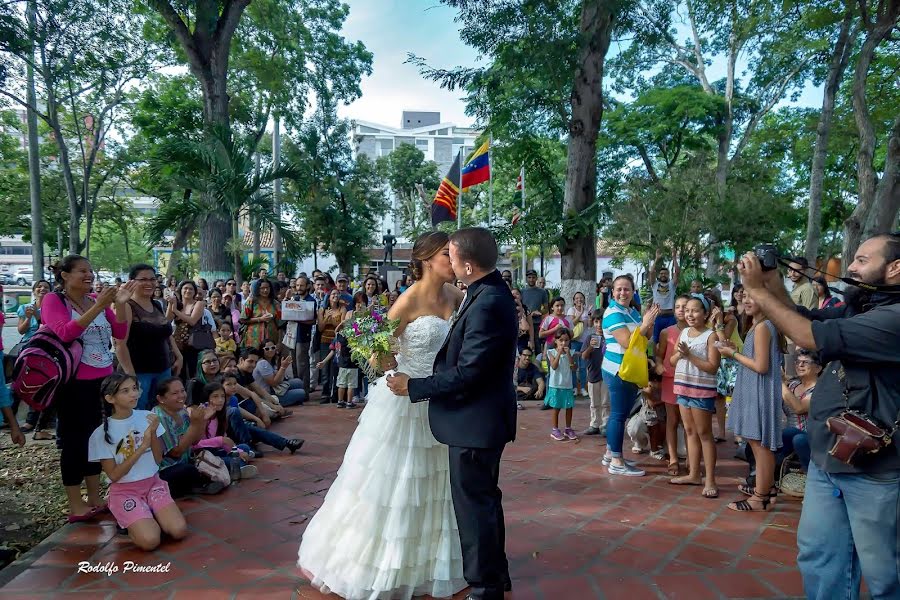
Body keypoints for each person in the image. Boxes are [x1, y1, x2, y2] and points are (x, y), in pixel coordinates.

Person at [298, 231, 467, 599]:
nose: (453, 261)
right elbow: (377, 354)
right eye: (445, 255)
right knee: (399, 482)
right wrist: (386, 361)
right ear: (425, 258)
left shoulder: (457, 296)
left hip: (443, 397)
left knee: (440, 484)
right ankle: (385, 564)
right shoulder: (405, 302)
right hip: (405, 403)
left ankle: (434, 561)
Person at [737, 234, 900, 600]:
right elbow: (802, 317)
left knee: (885, 574)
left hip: (875, 470)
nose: (851, 268)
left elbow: (808, 336)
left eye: (860, 260)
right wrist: (771, 281)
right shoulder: (863, 306)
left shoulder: (893, 317)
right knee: (819, 556)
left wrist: (756, 292)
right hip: (829, 458)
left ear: (894, 268)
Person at [387, 227, 516, 600]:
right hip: (474, 416)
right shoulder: (482, 294)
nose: (451, 261)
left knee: (475, 505)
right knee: (484, 499)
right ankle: (496, 572)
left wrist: (414, 387)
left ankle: (484, 586)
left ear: (468, 264)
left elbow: (471, 372)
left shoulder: (487, 301)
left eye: (453, 255)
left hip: (474, 418)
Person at [43, 255, 133, 521]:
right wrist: (101, 305)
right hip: (73, 382)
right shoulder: (53, 301)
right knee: (74, 441)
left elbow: (118, 331)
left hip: (102, 380)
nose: (89, 275)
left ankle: (94, 495)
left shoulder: (96, 301)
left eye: (90, 271)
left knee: (97, 439)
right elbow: (65, 333)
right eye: (82, 271)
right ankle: (75, 502)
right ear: (65, 275)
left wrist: (120, 305)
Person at [88, 373, 187, 550]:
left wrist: (154, 434)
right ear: (110, 398)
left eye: (134, 389)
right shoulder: (101, 434)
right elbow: (114, 475)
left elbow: (157, 460)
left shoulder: (147, 417)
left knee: (179, 531)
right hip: (125, 491)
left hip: (152, 483)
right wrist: (141, 448)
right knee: (150, 541)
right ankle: (133, 519)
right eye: (125, 391)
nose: (133, 394)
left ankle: (147, 513)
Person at [719, 293, 782, 510]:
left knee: (760, 445)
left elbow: (761, 366)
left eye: (753, 297)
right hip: (756, 388)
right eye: (744, 296)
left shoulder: (763, 326)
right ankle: (767, 487)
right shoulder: (759, 325)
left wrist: (733, 355)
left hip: (759, 390)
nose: (746, 300)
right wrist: (734, 351)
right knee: (758, 444)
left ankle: (760, 497)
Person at [601, 276, 659, 476]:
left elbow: (646, 337)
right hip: (618, 370)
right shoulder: (613, 313)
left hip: (630, 369)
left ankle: (610, 453)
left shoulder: (631, 311)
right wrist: (645, 324)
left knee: (620, 414)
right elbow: (627, 342)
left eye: (627, 289)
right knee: (618, 415)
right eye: (618, 289)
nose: (622, 293)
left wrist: (649, 323)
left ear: (633, 291)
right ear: (612, 292)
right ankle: (617, 461)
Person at [668, 295, 721, 498]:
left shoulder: (711, 336)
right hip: (683, 388)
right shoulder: (683, 333)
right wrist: (681, 355)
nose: (690, 314)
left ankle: (710, 479)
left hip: (701, 389)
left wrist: (690, 356)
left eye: (695, 310)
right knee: (689, 431)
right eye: (687, 310)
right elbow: (672, 361)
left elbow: (713, 366)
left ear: (705, 313)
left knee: (704, 434)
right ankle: (693, 474)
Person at [116, 264, 183, 410]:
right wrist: (131, 377)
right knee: (140, 413)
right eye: (143, 279)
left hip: (164, 369)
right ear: (132, 281)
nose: (149, 283)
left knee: (163, 412)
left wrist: (179, 355)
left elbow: (165, 333)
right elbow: (120, 344)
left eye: (152, 279)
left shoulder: (157, 304)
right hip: (139, 372)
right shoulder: (127, 306)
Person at [16, 279, 54, 439]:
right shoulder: (25, 308)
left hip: (47, 349)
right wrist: (28, 317)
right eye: (39, 287)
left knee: (44, 384)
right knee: (24, 383)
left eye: (46, 287)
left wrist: (39, 317)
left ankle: (36, 424)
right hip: (29, 347)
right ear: (34, 290)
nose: (42, 289)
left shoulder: (53, 307)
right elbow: (21, 330)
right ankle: (19, 421)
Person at [656, 296, 688, 475]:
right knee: (672, 420)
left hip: (689, 381)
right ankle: (673, 459)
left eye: (686, 307)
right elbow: (660, 354)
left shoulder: (696, 332)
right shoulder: (666, 332)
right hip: (670, 379)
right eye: (678, 307)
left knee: (688, 423)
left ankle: (691, 458)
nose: (682, 310)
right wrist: (660, 365)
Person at [778, 349, 818, 473]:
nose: (800, 365)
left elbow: (799, 408)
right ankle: (770, 474)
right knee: (774, 436)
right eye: (798, 362)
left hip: (812, 438)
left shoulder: (820, 390)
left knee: (797, 438)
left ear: (818, 368)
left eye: (805, 362)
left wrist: (780, 382)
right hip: (790, 436)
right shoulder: (792, 385)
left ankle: (809, 473)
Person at [581, 311, 611, 437]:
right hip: (593, 374)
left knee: (605, 402)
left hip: (607, 374)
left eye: (602, 321)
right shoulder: (589, 338)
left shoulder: (610, 338)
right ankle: (594, 424)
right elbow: (583, 356)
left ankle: (605, 424)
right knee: (594, 402)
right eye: (596, 321)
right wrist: (590, 348)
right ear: (593, 322)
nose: (599, 325)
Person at [546, 328, 578, 441]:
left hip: (567, 384)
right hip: (555, 385)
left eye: (566, 340)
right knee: (556, 407)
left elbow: (574, 368)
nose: (563, 343)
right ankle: (555, 429)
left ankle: (568, 428)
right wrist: (559, 353)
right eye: (561, 340)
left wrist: (568, 354)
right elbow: (554, 366)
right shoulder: (551, 352)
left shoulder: (572, 353)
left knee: (569, 407)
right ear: (556, 341)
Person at [255, 342, 307, 407]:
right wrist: (283, 367)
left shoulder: (272, 361)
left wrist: (281, 370)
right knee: (301, 393)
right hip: (269, 394)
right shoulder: (262, 363)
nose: (270, 350)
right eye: (267, 349)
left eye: (273, 348)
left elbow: (279, 379)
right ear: (262, 350)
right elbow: (274, 383)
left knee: (298, 382)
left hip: (276, 388)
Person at [649, 249, 680, 343]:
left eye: (665, 273)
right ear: (659, 275)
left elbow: (677, 272)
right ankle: (655, 357)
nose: (663, 275)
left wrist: (674, 257)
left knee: (671, 341)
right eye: (661, 273)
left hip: (670, 317)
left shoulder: (672, 285)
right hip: (657, 317)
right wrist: (656, 258)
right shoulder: (655, 284)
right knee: (656, 340)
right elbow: (651, 272)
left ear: (668, 275)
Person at [240, 279, 281, 350]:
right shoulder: (251, 302)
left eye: (267, 288)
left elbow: (280, 325)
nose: (265, 290)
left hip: (272, 340)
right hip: (253, 339)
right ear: (257, 289)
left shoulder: (275, 303)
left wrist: (279, 342)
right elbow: (243, 320)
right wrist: (260, 319)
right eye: (262, 288)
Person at [566, 292, 592, 397]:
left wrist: (589, 314)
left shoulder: (588, 310)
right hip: (574, 340)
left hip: (584, 341)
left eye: (581, 298)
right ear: (573, 300)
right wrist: (581, 313)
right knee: (573, 365)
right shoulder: (571, 310)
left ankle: (582, 388)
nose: (579, 300)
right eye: (577, 298)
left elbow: (590, 325)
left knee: (583, 366)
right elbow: (572, 323)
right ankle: (574, 387)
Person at [521, 270, 549, 353]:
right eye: (529, 277)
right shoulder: (522, 291)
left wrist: (539, 312)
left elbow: (546, 308)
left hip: (537, 323)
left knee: (537, 347)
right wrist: (530, 314)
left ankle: (537, 365)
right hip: (524, 323)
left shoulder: (542, 292)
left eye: (533, 277)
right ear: (526, 278)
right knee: (524, 347)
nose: (531, 279)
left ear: (536, 278)